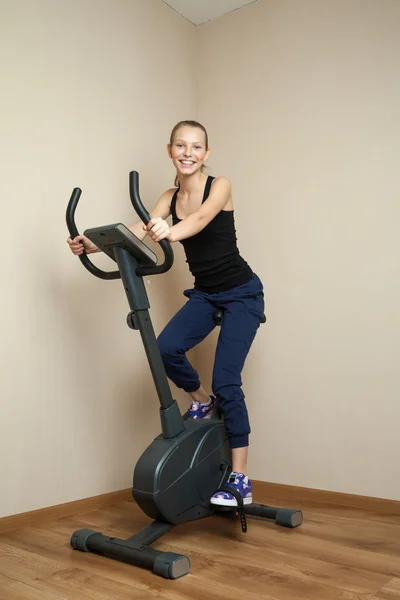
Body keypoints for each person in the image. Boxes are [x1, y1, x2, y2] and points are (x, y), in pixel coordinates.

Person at [67, 120, 265, 507]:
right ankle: (200, 400)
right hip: (206, 295)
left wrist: (171, 232)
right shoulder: (168, 196)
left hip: (241, 293)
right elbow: (140, 228)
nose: (188, 153)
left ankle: (240, 478)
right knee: (165, 349)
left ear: (206, 154)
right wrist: (90, 244)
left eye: (196, 147)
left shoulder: (219, 185)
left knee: (227, 380)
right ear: (169, 150)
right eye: (181, 145)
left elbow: (201, 219)